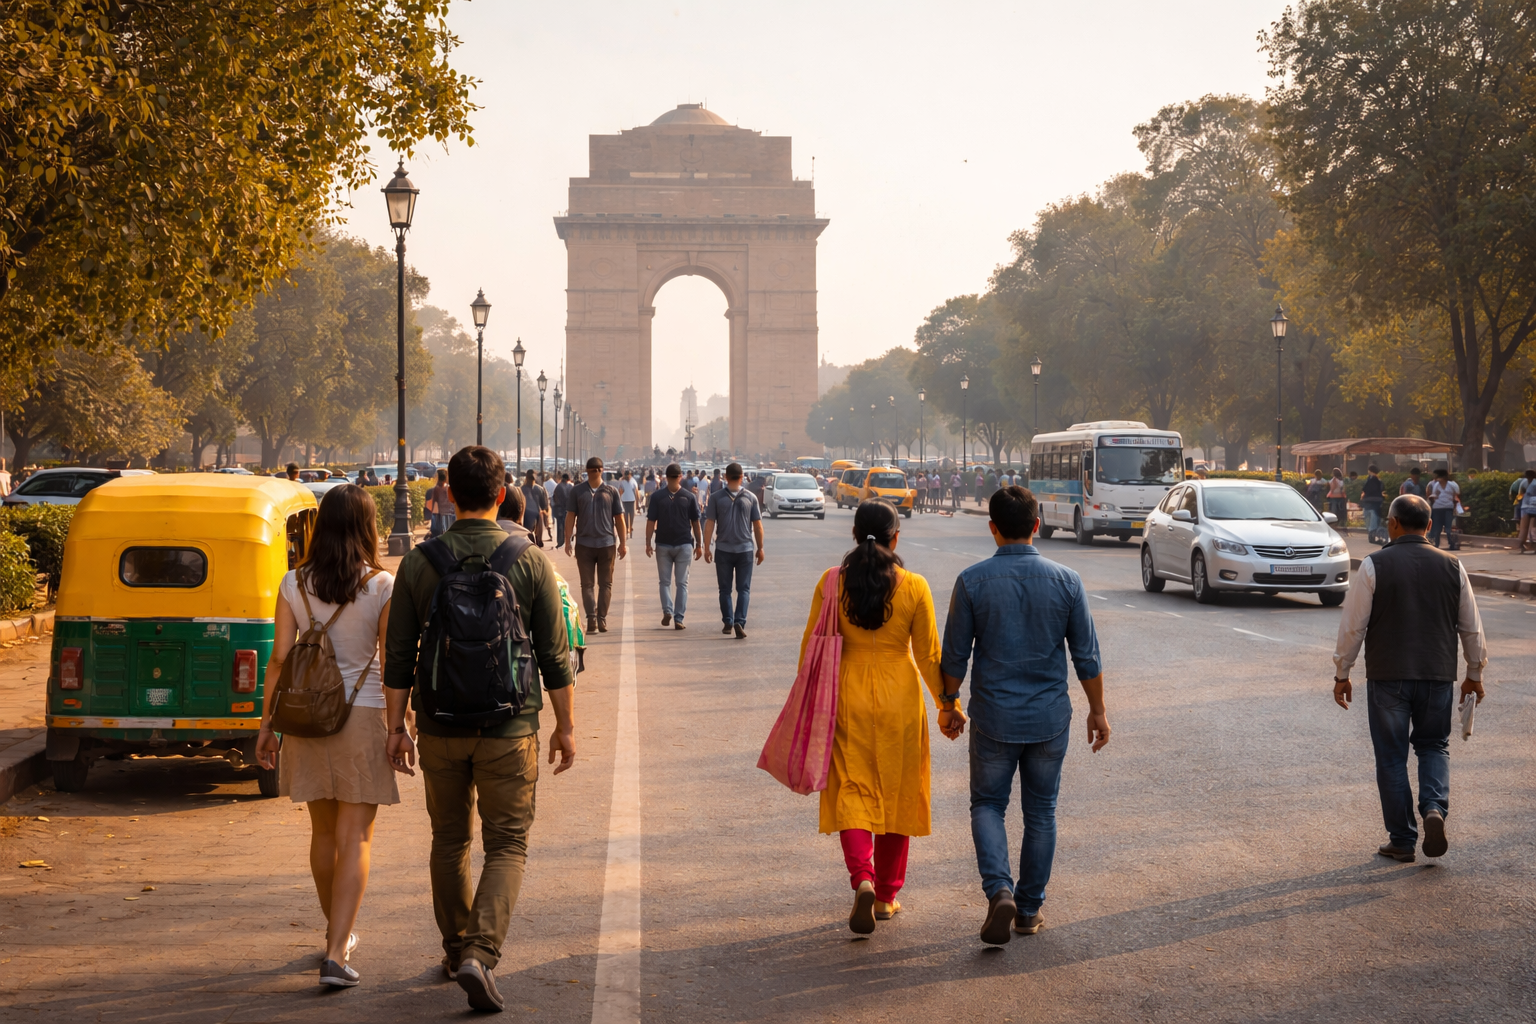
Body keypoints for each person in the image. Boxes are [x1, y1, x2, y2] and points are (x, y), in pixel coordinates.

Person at [382, 446, 576, 1013]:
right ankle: (481, 953)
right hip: (510, 727)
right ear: (500, 495)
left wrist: (396, 728)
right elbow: (554, 657)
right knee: (507, 843)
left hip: (439, 725)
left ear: (447, 495)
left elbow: (397, 657)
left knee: (449, 839)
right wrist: (566, 726)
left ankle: (454, 948)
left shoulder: (419, 563)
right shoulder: (530, 560)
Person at [938, 485, 1108, 945]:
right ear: (1037, 525)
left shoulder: (972, 581)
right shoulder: (1067, 580)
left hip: (994, 717)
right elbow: (1086, 658)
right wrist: (1098, 711)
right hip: (1049, 718)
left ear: (992, 528)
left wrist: (949, 704)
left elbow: (955, 656)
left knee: (988, 805)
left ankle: (999, 891)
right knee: (1042, 812)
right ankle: (1029, 911)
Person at [253, 484, 397, 988]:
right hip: (364, 717)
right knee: (354, 835)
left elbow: (278, 659)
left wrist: (266, 725)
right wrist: (402, 728)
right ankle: (336, 951)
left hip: (307, 718)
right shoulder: (382, 584)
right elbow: (392, 665)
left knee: (322, 833)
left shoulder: (293, 582)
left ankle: (336, 934)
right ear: (367, 526)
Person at [798, 500, 945, 934]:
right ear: (896, 538)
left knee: (852, 788)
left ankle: (861, 876)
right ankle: (885, 896)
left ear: (854, 534)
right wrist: (948, 706)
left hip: (846, 695)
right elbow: (930, 655)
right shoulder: (915, 586)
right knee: (898, 791)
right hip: (901, 696)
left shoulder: (831, 583)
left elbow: (811, 647)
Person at [1332, 493, 1487, 863]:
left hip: (1388, 677)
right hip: (1437, 675)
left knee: (1391, 757)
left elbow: (1353, 628)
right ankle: (1434, 808)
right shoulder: (1454, 566)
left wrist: (1342, 673)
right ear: (1430, 526)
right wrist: (1474, 674)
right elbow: (1471, 627)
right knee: (1434, 746)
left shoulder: (1373, 565)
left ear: (1392, 523)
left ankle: (1402, 840)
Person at [564, 456, 627, 633]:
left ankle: (594, 619)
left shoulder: (604, 491)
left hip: (595, 544)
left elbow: (619, 518)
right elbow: (619, 519)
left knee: (590, 584)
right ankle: (599, 620)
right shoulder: (602, 491)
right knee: (601, 585)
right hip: (596, 545)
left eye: (596, 470)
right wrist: (623, 543)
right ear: (600, 470)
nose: (596, 472)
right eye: (595, 470)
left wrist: (568, 540)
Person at [702, 462, 763, 639]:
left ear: (725, 477)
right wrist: (760, 548)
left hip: (723, 549)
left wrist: (707, 548)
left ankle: (728, 621)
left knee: (724, 589)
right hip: (745, 550)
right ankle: (739, 621)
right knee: (744, 589)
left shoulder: (715, 497)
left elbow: (709, 524)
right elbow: (758, 526)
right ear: (742, 476)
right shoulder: (750, 497)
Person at [645, 463, 702, 630]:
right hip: (684, 544)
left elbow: (651, 522)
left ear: (665, 477)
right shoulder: (689, 497)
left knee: (664, 582)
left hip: (663, 544)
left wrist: (648, 543)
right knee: (682, 583)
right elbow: (696, 523)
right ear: (680, 477)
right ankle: (678, 618)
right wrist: (699, 544)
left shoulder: (657, 497)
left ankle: (667, 610)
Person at [1424, 468, 1459, 548]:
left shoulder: (1452, 485)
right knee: (1437, 528)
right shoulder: (1436, 485)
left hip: (1448, 507)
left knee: (1448, 528)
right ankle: (1436, 544)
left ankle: (1451, 543)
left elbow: (1456, 495)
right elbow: (1433, 495)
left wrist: (1455, 506)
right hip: (1437, 508)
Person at [520, 470, 550, 547]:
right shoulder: (540, 489)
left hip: (525, 517)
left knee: (527, 536)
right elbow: (545, 506)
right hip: (537, 516)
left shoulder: (521, 489)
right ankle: (538, 540)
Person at [1361, 465, 1386, 545]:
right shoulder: (1379, 481)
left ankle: (1371, 536)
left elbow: (1364, 491)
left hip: (1368, 503)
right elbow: (1382, 491)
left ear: (1370, 471)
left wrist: (1361, 500)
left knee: (1368, 520)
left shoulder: (1369, 480)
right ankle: (1373, 535)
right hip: (1376, 503)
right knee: (1374, 521)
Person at [427, 469, 454, 538]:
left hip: (441, 515)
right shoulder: (450, 488)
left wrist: (431, 517)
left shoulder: (436, 489)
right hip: (450, 514)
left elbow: (434, 504)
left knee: (440, 535)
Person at [551, 472, 573, 548]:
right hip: (569, 509)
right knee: (568, 524)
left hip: (559, 508)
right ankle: (569, 538)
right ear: (568, 479)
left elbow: (554, 498)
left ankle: (560, 541)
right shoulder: (570, 487)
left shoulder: (558, 487)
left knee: (560, 525)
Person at [1517, 469, 1536, 554]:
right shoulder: (1534, 483)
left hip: (1526, 507)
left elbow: (1520, 494)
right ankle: (1531, 547)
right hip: (1532, 507)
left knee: (1525, 528)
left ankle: (1522, 546)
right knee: (1532, 528)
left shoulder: (1523, 483)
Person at [1326, 468, 1349, 533]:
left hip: (1334, 497)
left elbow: (1332, 488)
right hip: (1341, 497)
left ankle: (1334, 525)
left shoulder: (1334, 480)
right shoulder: (1342, 480)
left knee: (1334, 511)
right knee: (1341, 511)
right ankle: (1341, 523)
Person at [617, 469, 639, 535]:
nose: (628, 477)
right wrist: (619, 499)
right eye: (627, 475)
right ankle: (626, 527)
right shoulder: (622, 482)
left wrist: (638, 500)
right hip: (624, 500)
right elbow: (620, 491)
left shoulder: (633, 481)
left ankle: (631, 526)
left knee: (632, 515)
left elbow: (636, 491)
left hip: (632, 500)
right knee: (625, 515)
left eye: (629, 475)